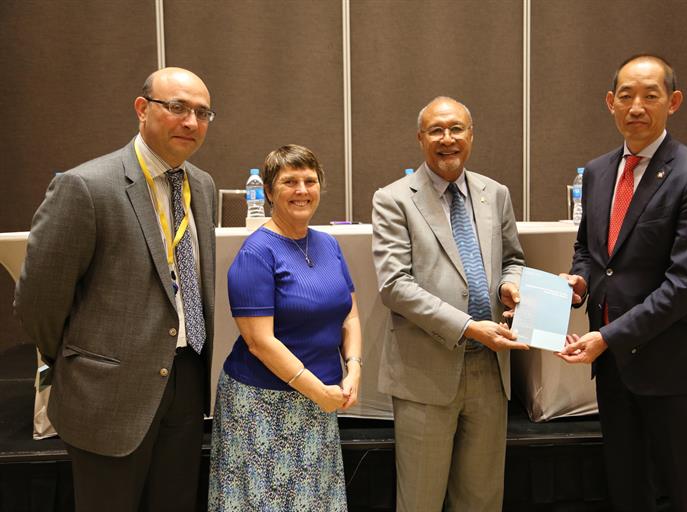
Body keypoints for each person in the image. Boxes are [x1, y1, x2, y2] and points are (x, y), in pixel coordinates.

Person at [14, 67, 217, 511]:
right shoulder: (86, 186)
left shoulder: (202, 186)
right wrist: (76, 360)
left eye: (202, 113)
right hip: (108, 392)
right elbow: (38, 301)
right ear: (142, 110)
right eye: (177, 107)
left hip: (185, 382)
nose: (190, 122)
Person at [558, 54, 687, 511]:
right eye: (626, 96)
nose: (637, 106)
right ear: (610, 103)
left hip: (672, 363)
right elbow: (591, 253)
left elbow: (686, 284)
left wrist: (606, 336)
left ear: (673, 102)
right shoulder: (596, 172)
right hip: (614, 366)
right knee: (628, 489)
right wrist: (580, 282)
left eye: (650, 96)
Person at [372, 96, 528, 511]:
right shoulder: (393, 199)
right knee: (420, 500)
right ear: (421, 138)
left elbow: (513, 259)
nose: (448, 139)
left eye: (457, 129)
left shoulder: (495, 193)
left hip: (490, 373)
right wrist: (468, 326)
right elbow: (394, 285)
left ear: (471, 135)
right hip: (426, 371)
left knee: (481, 500)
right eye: (437, 130)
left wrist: (508, 288)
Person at [208, 144, 361, 511]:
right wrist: (318, 392)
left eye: (310, 180)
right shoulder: (256, 253)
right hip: (262, 407)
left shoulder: (328, 244)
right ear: (271, 191)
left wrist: (354, 368)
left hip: (319, 400)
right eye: (290, 181)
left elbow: (350, 315)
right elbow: (259, 342)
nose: (302, 190)